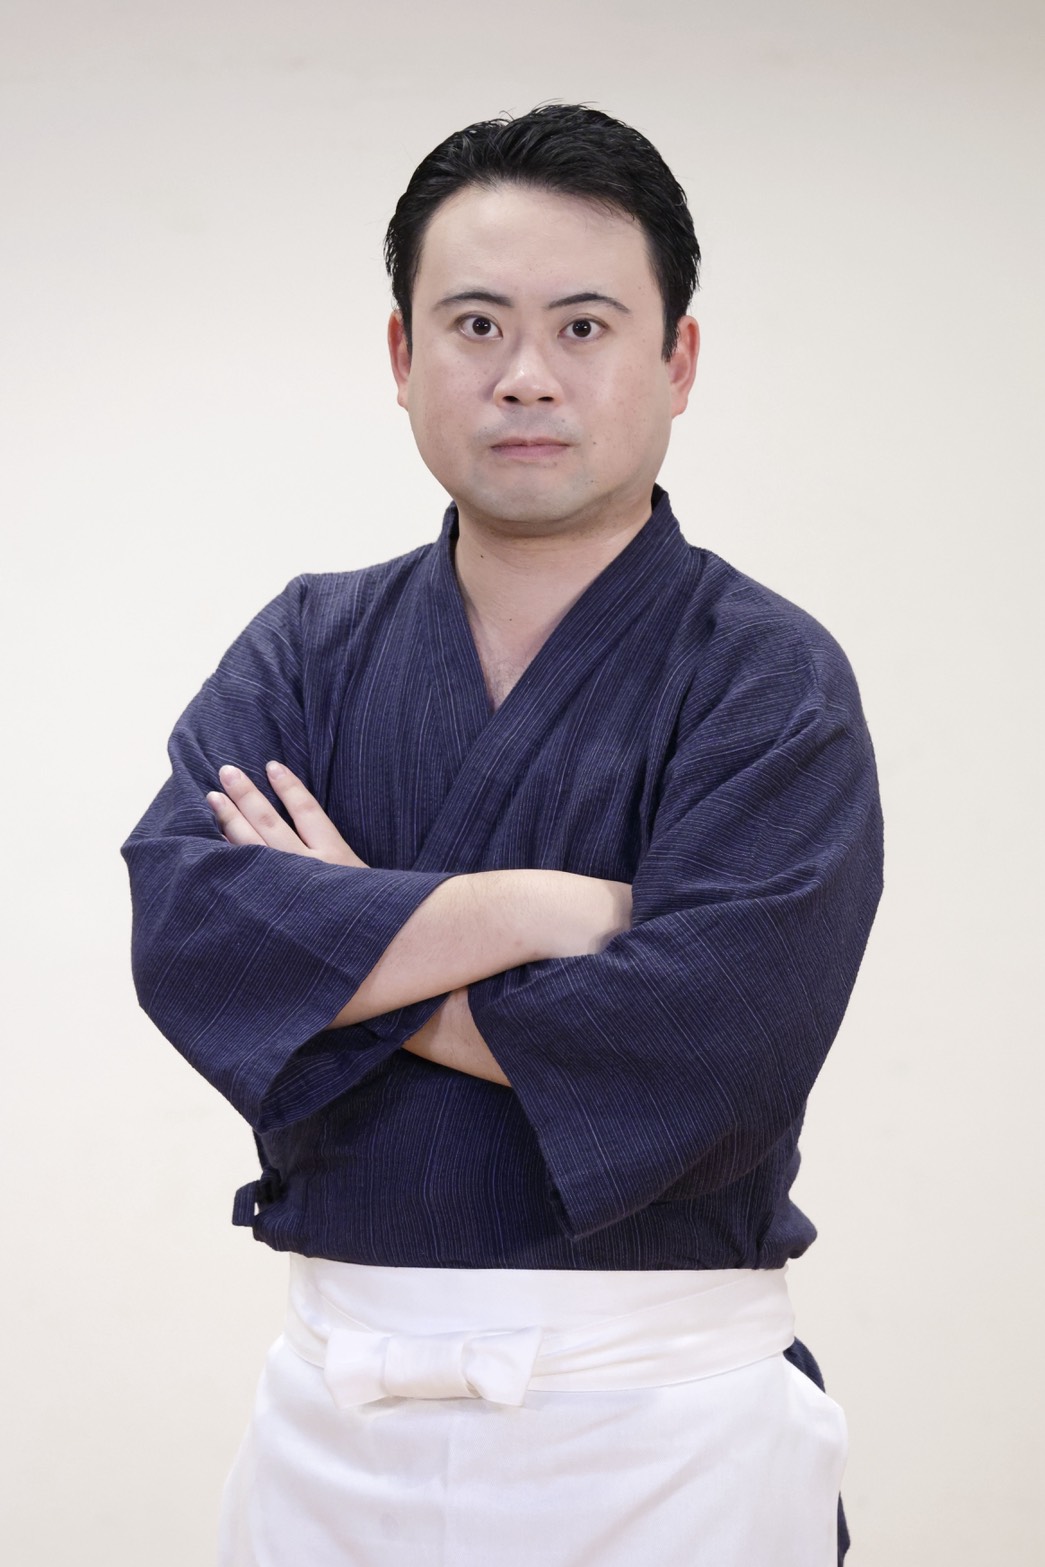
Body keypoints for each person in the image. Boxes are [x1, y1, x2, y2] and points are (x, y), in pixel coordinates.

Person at [122, 104, 883, 1567]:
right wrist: (528, 911)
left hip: (662, 1429)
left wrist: (344, 955)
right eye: (475, 324)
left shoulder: (764, 678)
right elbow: (192, 935)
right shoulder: (307, 648)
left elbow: (713, 1047)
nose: (526, 373)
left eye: (584, 326)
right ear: (401, 357)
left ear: (679, 361)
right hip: (333, 1419)